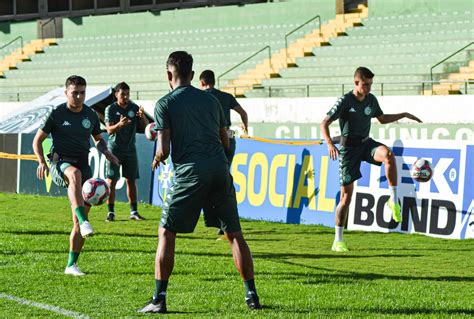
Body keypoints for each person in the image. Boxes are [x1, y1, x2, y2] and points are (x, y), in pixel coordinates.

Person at [139, 51, 261, 313]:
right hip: (219, 168)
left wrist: (156, 151)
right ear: (192, 75)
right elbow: (226, 140)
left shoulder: (164, 104)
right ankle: (252, 295)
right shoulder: (212, 101)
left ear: (168, 75)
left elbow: (165, 149)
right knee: (234, 234)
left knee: (166, 232)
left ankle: (159, 299)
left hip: (190, 174)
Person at [320, 67, 422, 252]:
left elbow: (381, 119)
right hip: (349, 150)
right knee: (346, 198)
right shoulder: (345, 100)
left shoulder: (371, 100)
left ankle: (393, 198)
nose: (368, 88)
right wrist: (329, 143)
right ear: (356, 83)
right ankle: (338, 239)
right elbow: (324, 122)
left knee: (389, 155)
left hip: (366, 145)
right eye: (365, 84)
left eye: (370, 84)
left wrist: (404, 114)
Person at [33, 75, 120, 276]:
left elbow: (98, 139)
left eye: (82, 92)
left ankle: (71, 265)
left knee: (77, 220)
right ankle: (84, 221)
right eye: (75, 93)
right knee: (75, 175)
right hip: (59, 161)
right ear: (66, 93)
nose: (79, 96)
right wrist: (41, 161)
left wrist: (106, 152)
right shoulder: (56, 114)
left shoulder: (90, 114)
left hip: (82, 161)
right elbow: (37, 141)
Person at [199, 69, 248, 240]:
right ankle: (227, 221)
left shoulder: (201, 97)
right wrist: (245, 127)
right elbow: (243, 113)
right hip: (228, 138)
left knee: (210, 180)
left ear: (201, 82)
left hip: (210, 141)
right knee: (224, 177)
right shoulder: (226, 96)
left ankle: (216, 220)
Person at [104, 82, 149, 222]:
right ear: (116, 94)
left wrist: (142, 117)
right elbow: (109, 130)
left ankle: (134, 212)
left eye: (128, 94)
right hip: (114, 149)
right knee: (112, 181)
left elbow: (146, 127)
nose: (125, 97)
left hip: (130, 149)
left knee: (131, 180)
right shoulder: (110, 109)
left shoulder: (134, 108)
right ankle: (111, 212)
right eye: (123, 94)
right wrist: (120, 125)